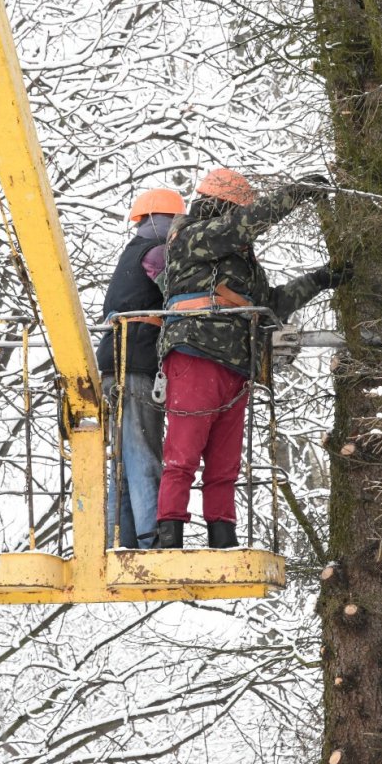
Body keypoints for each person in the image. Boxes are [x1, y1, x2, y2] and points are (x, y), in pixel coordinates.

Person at [155, 168, 352, 549]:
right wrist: (294, 194)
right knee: (183, 453)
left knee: (225, 463)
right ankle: (169, 534)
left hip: (236, 364)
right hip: (195, 351)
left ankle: (222, 536)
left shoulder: (239, 263)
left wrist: (321, 279)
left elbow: (271, 304)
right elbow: (241, 226)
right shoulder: (192, 237)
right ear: (221, 206)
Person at [96, 187, 186, 548]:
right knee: (144, 451)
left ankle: (120, 540)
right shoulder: (157, 254)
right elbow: (181, 291)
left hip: (115, 361)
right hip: (135, 361)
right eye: (176, 220)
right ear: (162, 221)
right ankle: (152, 542)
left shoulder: (133, 253)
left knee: (124, 457)